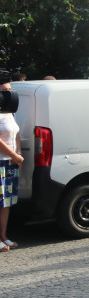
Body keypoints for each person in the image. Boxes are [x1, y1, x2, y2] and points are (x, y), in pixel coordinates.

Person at [0, 81, 22, 252]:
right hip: (1, 160)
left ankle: (4, 236)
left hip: (10, 163)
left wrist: (18, 155)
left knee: (6, 202)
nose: (9, 92)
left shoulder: (9, 112)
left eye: (10, 89)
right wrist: (14, 155)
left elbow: (16, 134)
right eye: (6, 89)